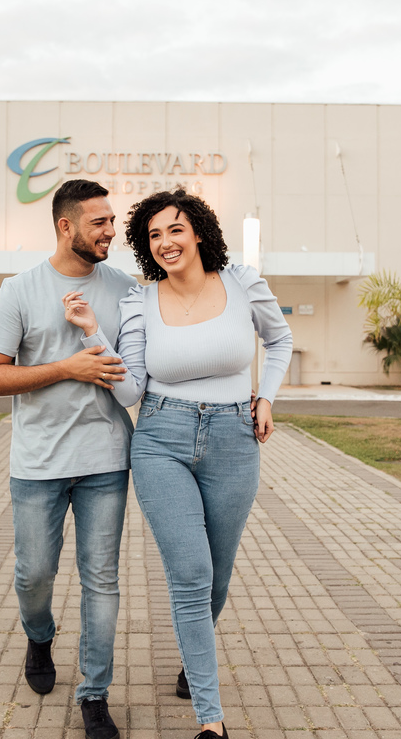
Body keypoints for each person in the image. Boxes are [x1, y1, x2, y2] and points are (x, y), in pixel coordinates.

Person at [61, 189, 292, 739]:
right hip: (162, 440)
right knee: (191, 575)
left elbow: (279, 340)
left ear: (199, 233)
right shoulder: (141, 301)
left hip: (235, 439)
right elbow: (130, 390)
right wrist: (93, 331)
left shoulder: (242, 282)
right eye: (154, 235)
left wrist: (266, 398)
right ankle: (211, 721)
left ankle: (195, 657)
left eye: (175, 229)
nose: (165, 242)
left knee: (217, 575)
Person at [0, 179, 136, 739]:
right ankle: (39, 637)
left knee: (102, 580)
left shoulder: (126, 290)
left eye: (111, 221)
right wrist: (68, 368)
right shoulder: (18, 290)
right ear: (66, 226)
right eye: (99, 222)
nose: (111, 231)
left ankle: (94, 693)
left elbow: (139, 373)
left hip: (106, 458)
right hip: (38, 463)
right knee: (34, 574)